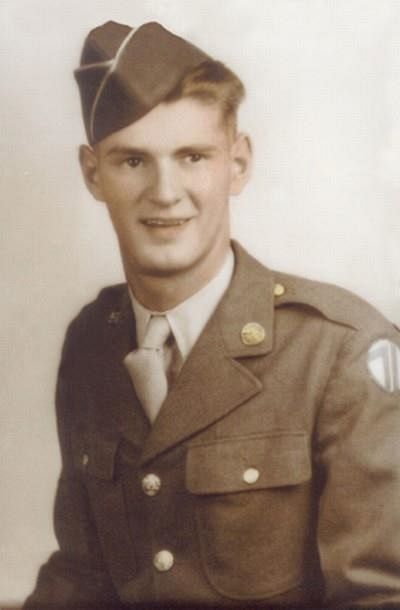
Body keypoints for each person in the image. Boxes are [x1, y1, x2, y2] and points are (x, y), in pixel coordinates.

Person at [24, 20, 400, 610]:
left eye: (193, 157)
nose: (165, 192)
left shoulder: (339, 353)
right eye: (132, 161)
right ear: (93, 173)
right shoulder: (91, 343)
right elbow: (82, 577)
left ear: (238, 163)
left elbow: (379, 598)